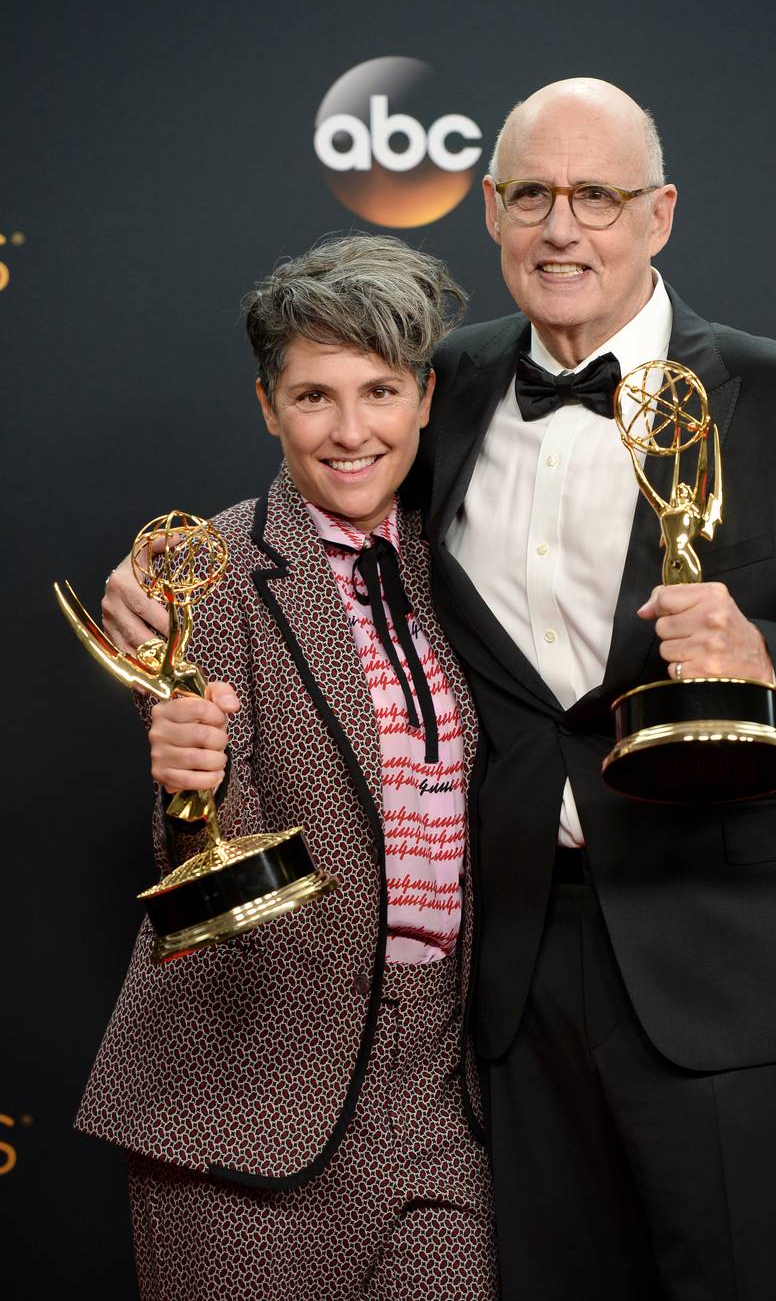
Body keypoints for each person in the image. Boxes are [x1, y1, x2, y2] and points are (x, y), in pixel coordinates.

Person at [105, 79, 776, 1301]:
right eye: (530, 195)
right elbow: (316, 497)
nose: (560, 228)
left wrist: (768, 659)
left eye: (596, 197)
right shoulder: (445, 381)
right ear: (489, 209)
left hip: (731, 958)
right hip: (511, 976)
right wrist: (158, 575)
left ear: (661, 214)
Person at [77, 234, 498, 1301]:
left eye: (379, 390)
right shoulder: (205, 573)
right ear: (267, 405)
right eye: (313, 395)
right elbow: (205, 860)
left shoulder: (473, 561)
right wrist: (191, 785)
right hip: (251, 1085)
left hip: (443, 1091)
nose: (350, 430)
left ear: (424, 397)